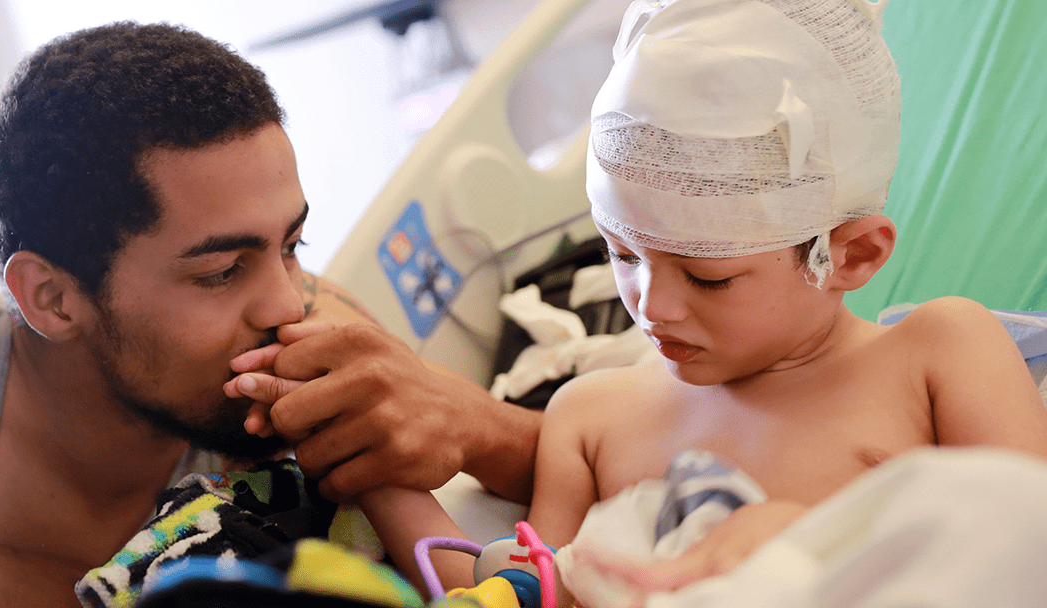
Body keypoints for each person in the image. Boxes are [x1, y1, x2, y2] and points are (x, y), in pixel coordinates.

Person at [350, 0, 1047, 602]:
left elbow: (1024, 543)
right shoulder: (591, 418)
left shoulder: (937, 356)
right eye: (621, 255)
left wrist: (793, 546)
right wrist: (378, 479)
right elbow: (524, 594)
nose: (654, 306)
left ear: (851, 254)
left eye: (708, 277)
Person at [0, 22, 539, 607]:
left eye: (293, 246)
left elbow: (567, 455)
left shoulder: (312, 339)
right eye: (221, 271)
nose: (288, 303)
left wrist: (466, 434)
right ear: (52, 297)